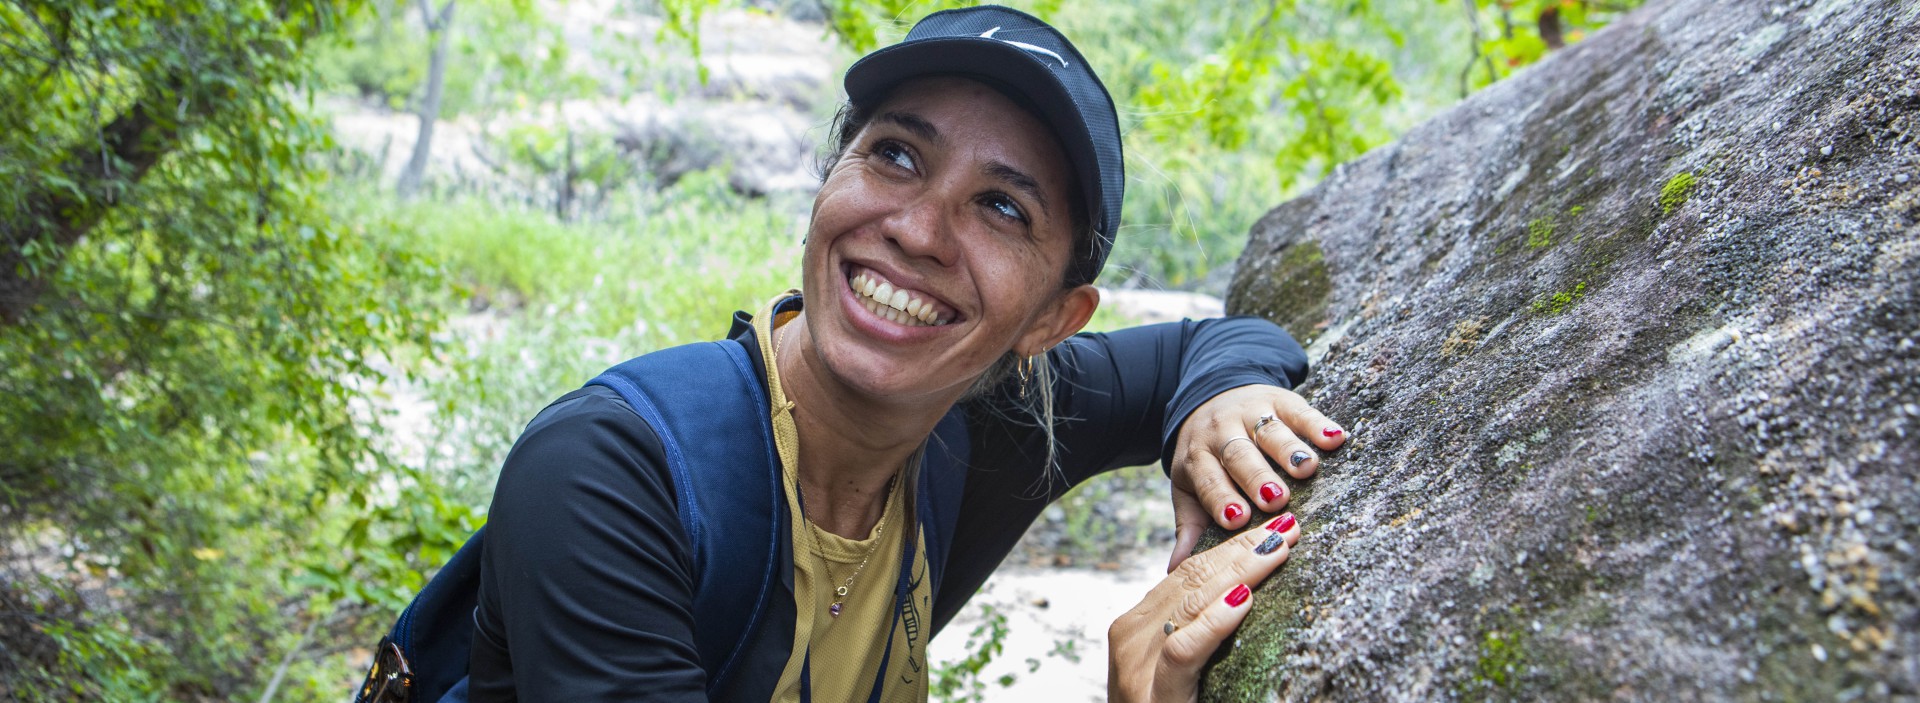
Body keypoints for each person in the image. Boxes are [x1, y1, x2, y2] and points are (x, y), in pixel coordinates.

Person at [467, 6, 1345, 701]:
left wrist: (1221, 398)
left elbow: (1222, 342)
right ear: (829, 179)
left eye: (1003, 207)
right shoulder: (613, 476)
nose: (919, 230)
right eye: (895, 154)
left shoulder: (982, 418)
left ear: (1051, 321)